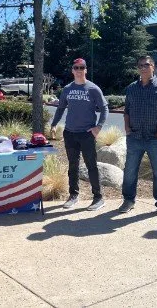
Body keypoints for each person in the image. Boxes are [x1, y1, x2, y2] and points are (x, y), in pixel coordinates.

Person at [120, 55, 157, 218]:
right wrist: (127, 129)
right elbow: (127, 111)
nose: (143, 68)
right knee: (130, 170)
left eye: (146, 65)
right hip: (135, 137)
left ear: (153, 67)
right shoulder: (132, 88)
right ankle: (128, 200)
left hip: (156, 139)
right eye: (140, 65)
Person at [50, 58, 108, 211]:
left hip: (87, 134)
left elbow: (104, 108)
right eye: (76, 67)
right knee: (73, 166)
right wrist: (54, 124)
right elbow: (61, 108)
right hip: (70, 133)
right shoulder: (67, 89)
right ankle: (73, 195)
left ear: (86, 70)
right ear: (72, 70)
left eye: (82, 67)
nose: (79, 70)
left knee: (91, 166)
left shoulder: (93, 88)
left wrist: (98, 127)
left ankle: (98, 197)